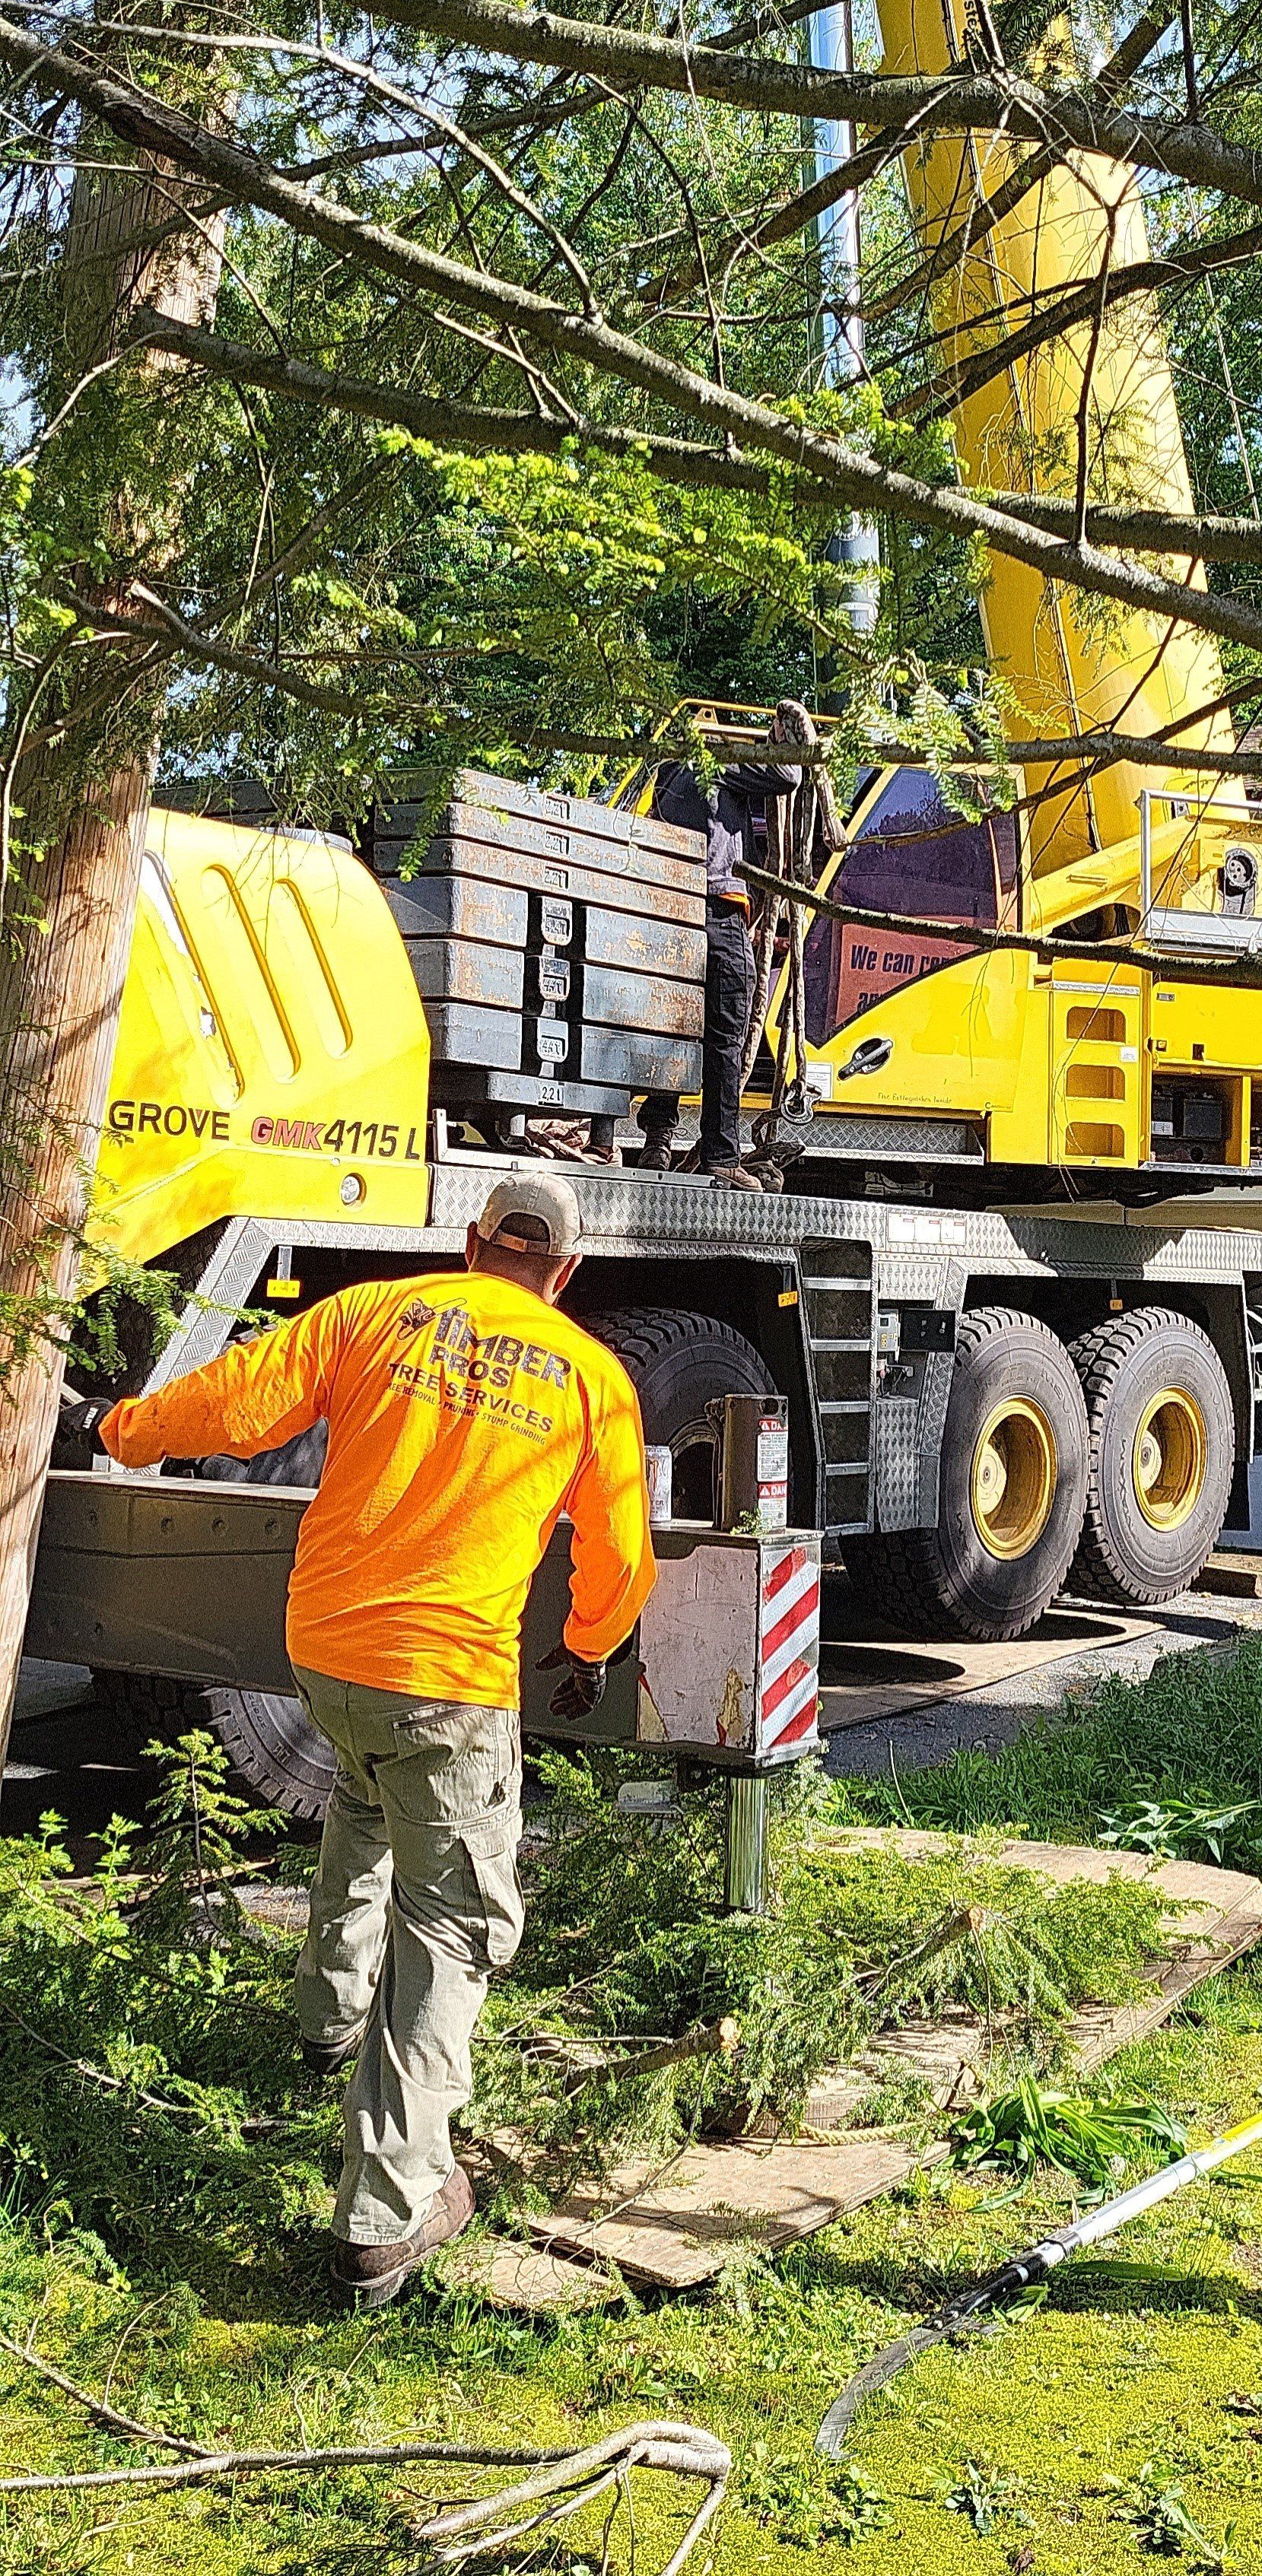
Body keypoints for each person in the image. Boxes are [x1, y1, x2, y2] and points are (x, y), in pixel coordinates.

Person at [92, 1173, 656, 2308]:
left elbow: (236, 1401)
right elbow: (618, 1551)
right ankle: (388, 2214)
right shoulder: (591, 1378)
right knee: (455, 1918)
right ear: (567, 1272)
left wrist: (122, 1428)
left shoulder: (373, 1313)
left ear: (470, 1242)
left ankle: (327, 2019)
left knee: (361, 1799)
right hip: (445, 1679)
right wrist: (591, 1639)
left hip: (327, 1653)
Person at [638, 736, 802, 1189]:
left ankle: (657, 1138)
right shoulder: (715, 760)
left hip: (669, 907)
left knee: (669, 1027)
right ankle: (720, 1157)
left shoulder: (667, 771)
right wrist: (768, 738)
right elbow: (788, 775)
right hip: (718, 910)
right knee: (726, 1035)